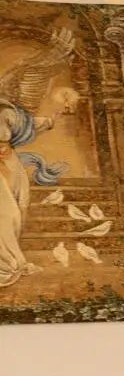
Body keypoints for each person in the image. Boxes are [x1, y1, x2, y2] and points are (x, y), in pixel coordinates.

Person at [0, 82, 75, 290]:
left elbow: (30, 125)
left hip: (10, 164)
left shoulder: (7, 111)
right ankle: (6, 263)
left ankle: (10, 257)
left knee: (20, 208)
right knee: (7, 214)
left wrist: (52, 118)